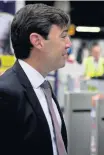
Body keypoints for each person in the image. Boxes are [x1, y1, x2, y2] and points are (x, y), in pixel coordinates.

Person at [0, 4, 71, 155]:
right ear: (37, 41)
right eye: (63, 36)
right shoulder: (6, 93)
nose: (68, 44)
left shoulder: (43, 86)